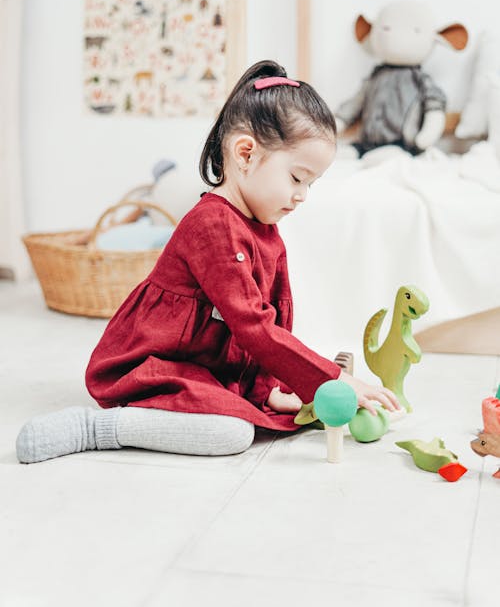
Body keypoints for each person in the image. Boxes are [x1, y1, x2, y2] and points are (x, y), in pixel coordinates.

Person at [16, 60, 400, 464]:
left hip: (205, 365)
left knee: (263, 413)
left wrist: (266, 386)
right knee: (230, 433)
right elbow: (253, 325)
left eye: (311, 184)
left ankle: (245, 396)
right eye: (296, 178)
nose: (303, 195)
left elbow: (268, 316)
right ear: (245, 153)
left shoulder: (263, 227)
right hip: (152, 364)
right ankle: (97, 429)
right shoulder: (213, 225)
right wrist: (330, 377)